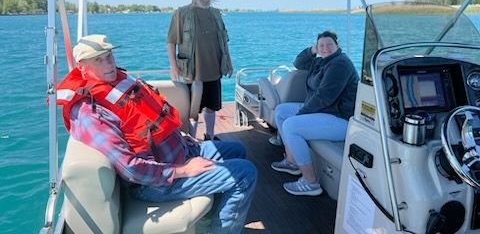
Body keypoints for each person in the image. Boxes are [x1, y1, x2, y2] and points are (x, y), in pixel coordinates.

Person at [57, 34, 256, 233]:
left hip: (183, 150)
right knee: (245, 173)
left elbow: (150, 120)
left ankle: (214, 220)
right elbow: (130, 169)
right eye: (98, 60)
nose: (108, 63)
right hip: (155, 181)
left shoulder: (117, 80)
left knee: (237, 150)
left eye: (109, 56)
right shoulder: (91, 112)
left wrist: (185, 140)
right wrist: (183, 170)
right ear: (82, 67)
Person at [270, 30, 359, 196]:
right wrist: (312, 50)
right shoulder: (321, 62)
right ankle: (292, 162)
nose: (325, 48)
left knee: (291, 125)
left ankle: (310, 183)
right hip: (324, 111)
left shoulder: (340, 64)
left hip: (340, 118)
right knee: (282, 111)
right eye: (321, 45)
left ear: (337, 46)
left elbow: (324, 97)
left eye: (329, 45)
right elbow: (298, 62)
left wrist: (301, 113)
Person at [167, 0, 233, 140]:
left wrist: (229, 62)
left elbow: (224, 41)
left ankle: (210, 135)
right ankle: (192, 139)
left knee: (211, 107)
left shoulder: (217, 14)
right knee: (192, 110)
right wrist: (173, 66)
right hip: (192, 71)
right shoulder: (181, 13)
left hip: (214, 69)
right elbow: (171, 41)